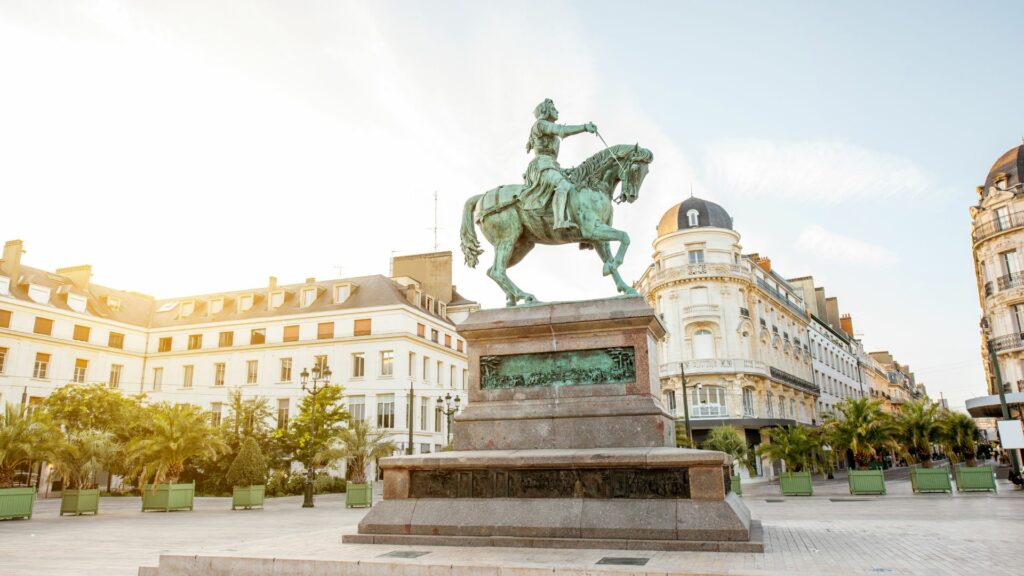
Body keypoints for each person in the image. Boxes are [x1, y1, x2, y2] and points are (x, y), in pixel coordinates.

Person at [520, 98, 597, 230]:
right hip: (541, 166)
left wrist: (563, 170)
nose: (557, 111)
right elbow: (562, 130)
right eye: (554, 109)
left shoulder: (551, 133)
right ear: (546, 111)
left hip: (550, 166)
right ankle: (559, 222)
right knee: (563, 185)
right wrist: (584, 127)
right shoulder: (540, 124)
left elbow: (552, 159)